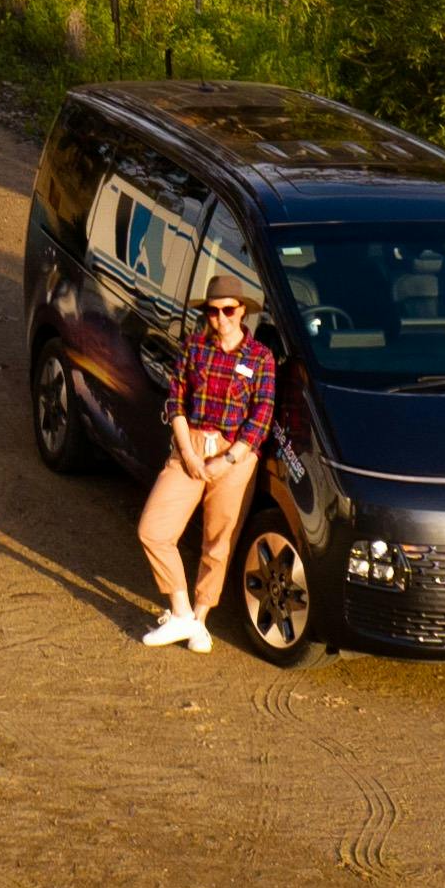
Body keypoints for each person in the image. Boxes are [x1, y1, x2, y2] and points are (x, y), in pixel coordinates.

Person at [136, 277, 278, 652]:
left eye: (228, 310)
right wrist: (188, 452)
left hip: (236, 454)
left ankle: (199, 621)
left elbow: (260, 418)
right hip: (191, 443)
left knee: (218, 541)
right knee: (153, 530)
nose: (220, 319)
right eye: (213, 312)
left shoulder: (260, 358)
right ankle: (181, 611)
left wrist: (229, 459)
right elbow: (176, 402)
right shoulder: (194, 348)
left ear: (242, 311)